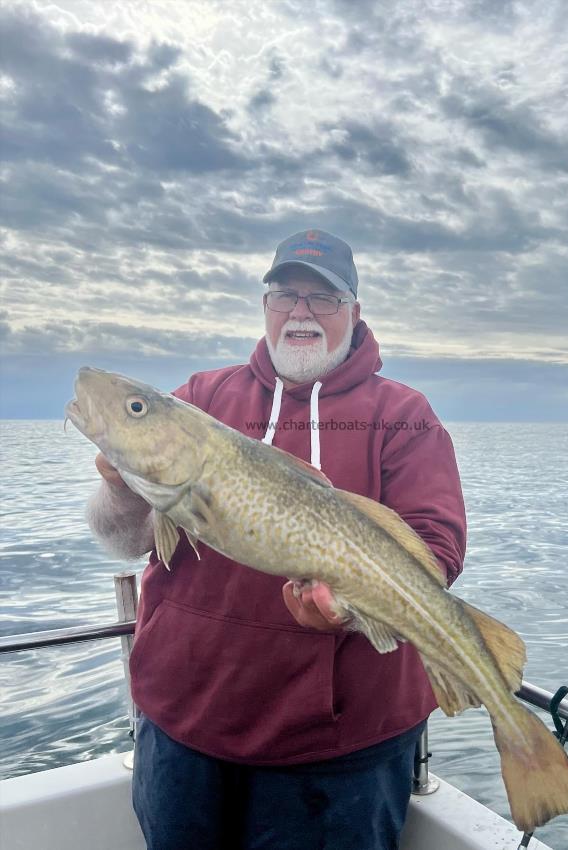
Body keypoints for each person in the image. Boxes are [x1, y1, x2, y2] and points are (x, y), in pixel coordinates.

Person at [89, 229, 467, 850]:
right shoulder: (200, 400)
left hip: (340, 755)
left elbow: (437, 547)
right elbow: (128, 538)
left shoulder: (404, 414)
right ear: (265, 306)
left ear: (355, 311)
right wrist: (126, 487)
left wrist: (349, 609)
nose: (301, 313)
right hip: (184, 731)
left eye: (323, 298)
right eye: (285, 295)